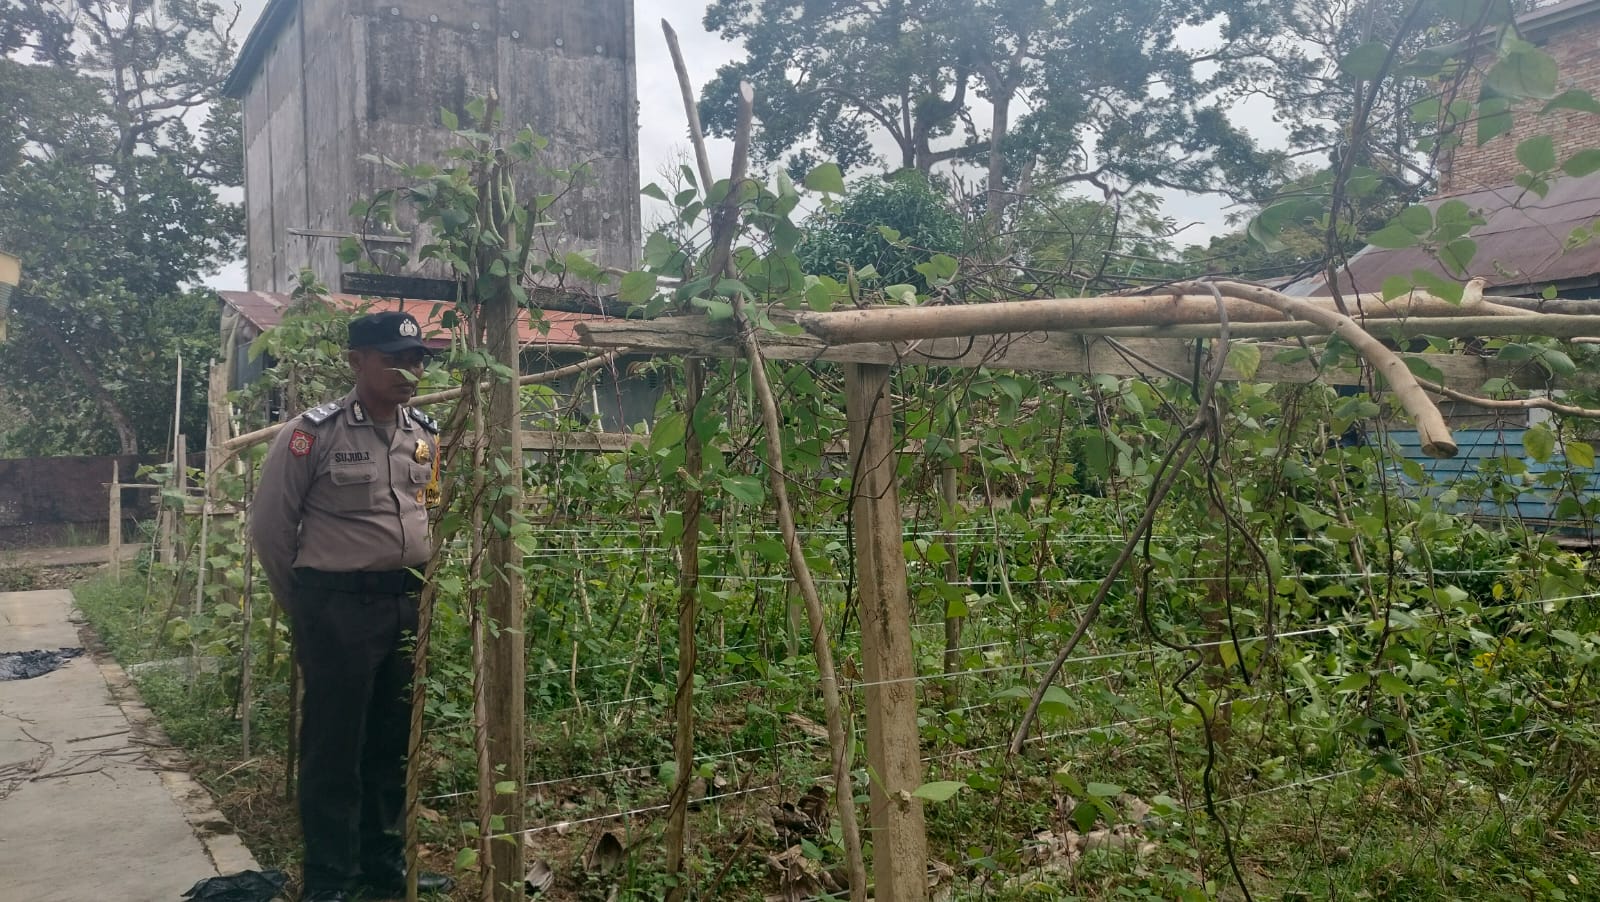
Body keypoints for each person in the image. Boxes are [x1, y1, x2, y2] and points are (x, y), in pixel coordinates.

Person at [250, 311, 453, 901]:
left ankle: (382, 861)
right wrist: (306, 608)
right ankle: (331, 878)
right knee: (335, 744)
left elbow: (429, 504)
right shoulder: (313, 434)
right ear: (356, 361)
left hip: (404, 603)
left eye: (416, 359)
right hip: (335, 606)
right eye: (393, 358)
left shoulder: (425, 434)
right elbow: (270, 527)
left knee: (391, 739)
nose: (408, 371)